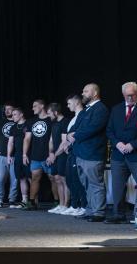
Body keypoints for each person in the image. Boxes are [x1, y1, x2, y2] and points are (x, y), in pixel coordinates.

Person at [106, 82, 137, 225]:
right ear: (123, 95)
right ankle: (118, 214)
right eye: (127, 95)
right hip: (118, 154)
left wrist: (132, 145)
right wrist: (117, 143)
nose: (130, 98)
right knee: (117, 186)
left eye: (132, 95)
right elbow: (109, 130)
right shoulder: (116, 109)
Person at [67, 83, 109, 222]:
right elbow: (74, 126)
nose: (82, 93)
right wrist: (70, 134)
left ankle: (99, 212)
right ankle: (90, 210)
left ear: (95, 93)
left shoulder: (100, 109)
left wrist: (75, 135)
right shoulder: (85, 110)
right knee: (86, 184)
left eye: (86, 91)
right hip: (81, 153)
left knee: (95, 183)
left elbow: (93, 128)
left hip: (93, 154)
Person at [0, 103, 18, 207]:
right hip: (1, 156)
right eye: (6, 109)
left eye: (10, 109)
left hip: (15, 155)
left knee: (15, 180)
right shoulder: (0, 122)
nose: (7, 111)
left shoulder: (18, 122)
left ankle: (12, 200)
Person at [25, 99, 53, 210]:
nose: (33, 108)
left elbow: (54, 137)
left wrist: (52, 153)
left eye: (35, 106)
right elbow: (27, 139)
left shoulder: (51, 119)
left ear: (42, 106)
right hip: (35, 156)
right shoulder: (31, 121)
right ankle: (32, 202)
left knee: (53, 178)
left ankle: (58, 202)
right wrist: (24, 154)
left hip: (49, 155)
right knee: (34, 178)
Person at [63, 94, 87, 215]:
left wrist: (70, 138)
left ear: (76, 102)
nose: (67, 106)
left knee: (78, 179)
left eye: (69, 103)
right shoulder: (74, 118)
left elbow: (77, 134)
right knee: (70, 179)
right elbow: (69, 135)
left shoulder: (83, 115)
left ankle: (83, 206)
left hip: (78, 151)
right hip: (71, 151)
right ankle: (74, 205)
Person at [46, 103, 70, 214]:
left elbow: (64, 142)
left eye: (49, 113)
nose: (48, 116)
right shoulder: (54, 123)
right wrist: (50, 153)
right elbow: (51, 140)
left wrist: (55, 155)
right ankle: (60, 204)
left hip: (63, 155)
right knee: (57, 179)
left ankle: (66, 205)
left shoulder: (65, 122)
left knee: (64, 180)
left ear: (55, 112)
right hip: (55, 155)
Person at [7, 107, 32, 209]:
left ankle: (34, 200)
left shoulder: (29, 124)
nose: (13, 117)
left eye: (15, 114)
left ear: (21, 115)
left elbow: (28, 139)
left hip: (28, 154)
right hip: (17, 155)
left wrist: (25, 155)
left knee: (31, 177)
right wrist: (9, 155)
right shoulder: (13, 127)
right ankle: (24, 200)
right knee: (21, 178)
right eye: (12, 115)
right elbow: (10, 142)